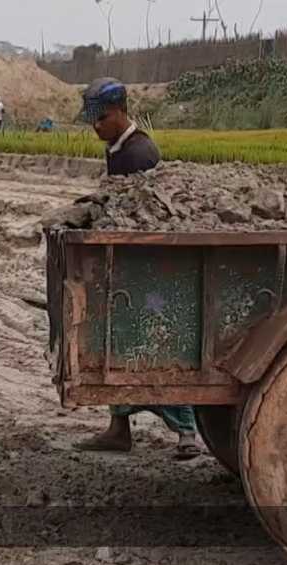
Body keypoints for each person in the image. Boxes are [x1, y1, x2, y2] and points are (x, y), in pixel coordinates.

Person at [73, 77, 199, 460]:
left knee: (159, 342)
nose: (96, 127)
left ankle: (186, 432)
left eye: (102, 119)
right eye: (93, 120)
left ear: (121, 112)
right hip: (126, 265)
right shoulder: (117, 148)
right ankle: (119, 427)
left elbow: (142, 213)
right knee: (119, 342)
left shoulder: (139, 153)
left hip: (148, 267)